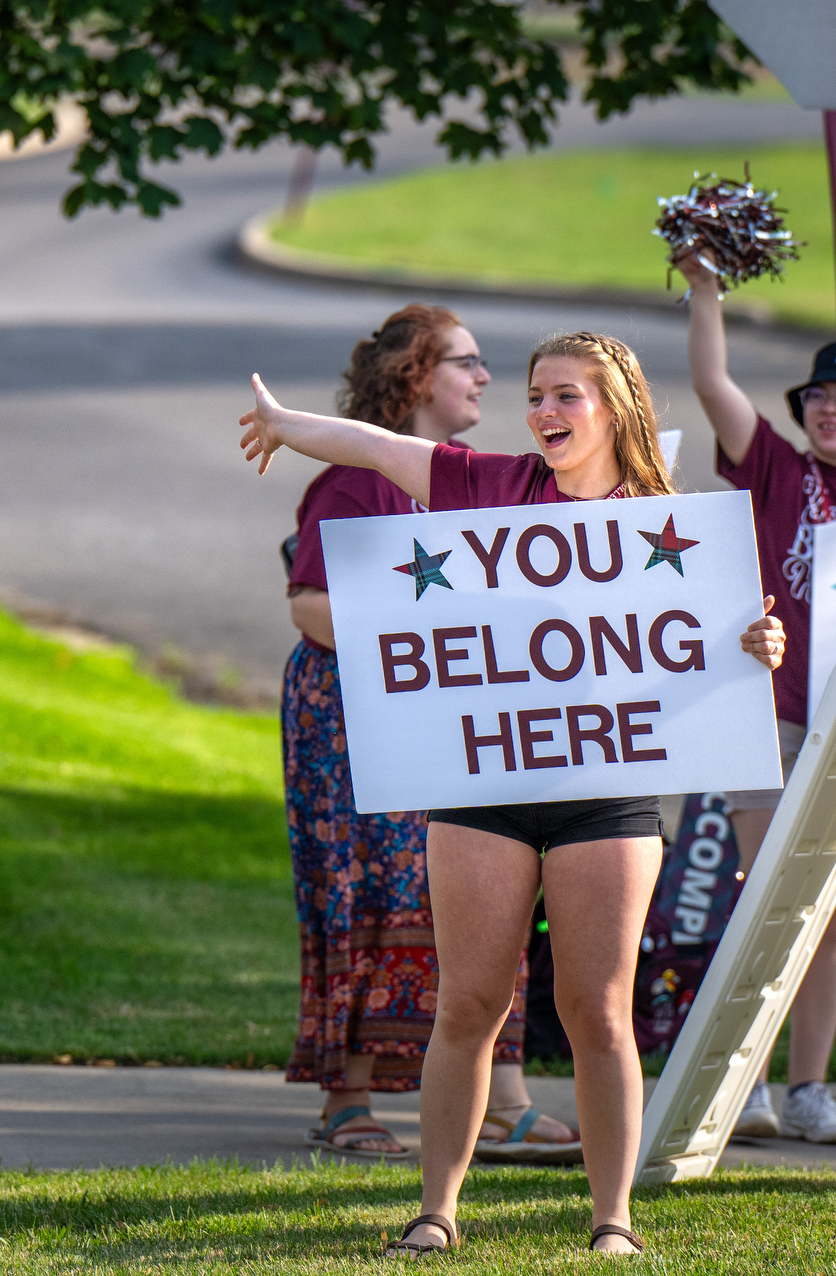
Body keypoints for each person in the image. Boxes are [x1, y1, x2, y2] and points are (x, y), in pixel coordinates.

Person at [242, 330, 788, 1258]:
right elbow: (377, 448)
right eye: (536, 395)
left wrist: (758, 646)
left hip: (608, 790)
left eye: (567, 396)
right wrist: (286, 424)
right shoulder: (491, 485)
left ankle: (612, 1220)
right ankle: (436, 1211)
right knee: (469, 1003)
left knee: (598, 1010)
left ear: (614, 406)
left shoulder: (668, 522)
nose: (544, 412)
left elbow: (718, 640)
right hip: (482, 783)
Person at [282, 304, 574, 1162]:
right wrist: (430, 631)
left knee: (491, 890)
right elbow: (309, 607)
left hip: (454, 713)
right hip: (352, 719)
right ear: (415, 374)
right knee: (370, 894)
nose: (485, 379)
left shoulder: (487, 479)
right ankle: (349, 1097)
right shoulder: (355, 480)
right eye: (468, 363)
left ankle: (498, 1099)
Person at [679, 254, 836, 1145]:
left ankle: (812, 1088)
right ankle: (750, 1083)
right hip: (767, 709)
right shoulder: (773, 467)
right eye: (819, 396)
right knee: (767, 894)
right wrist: (705, 292)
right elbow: (711, 381)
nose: (832, 408)